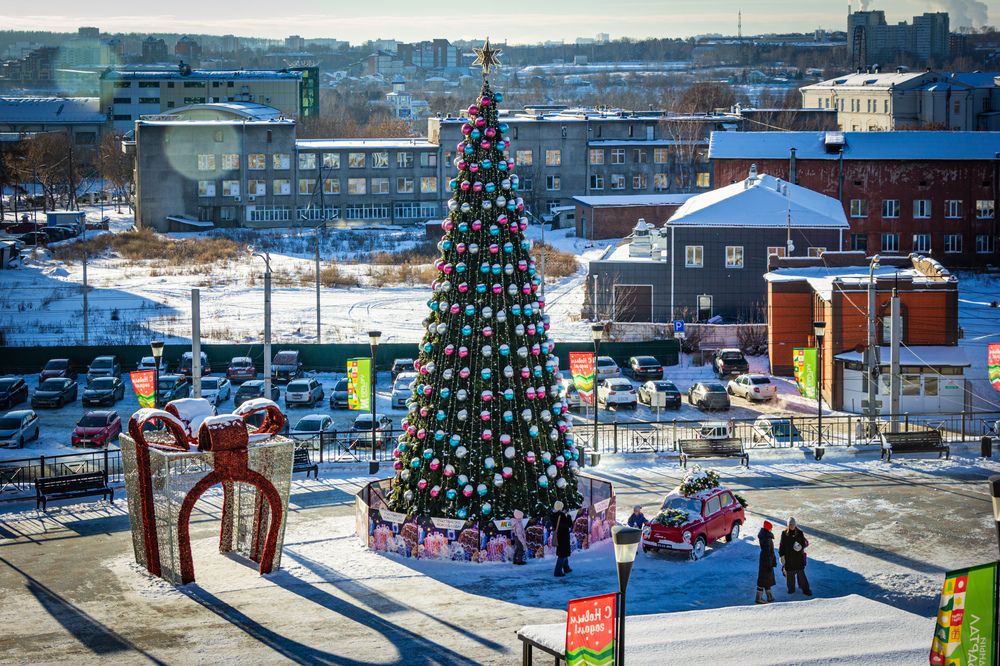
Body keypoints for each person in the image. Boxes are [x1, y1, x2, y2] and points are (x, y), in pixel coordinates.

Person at [778, 517, 812, 596]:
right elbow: (781, 546)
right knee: (789, 575)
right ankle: (791, 589)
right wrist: (781, 556)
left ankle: (805, 589)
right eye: (790, 524)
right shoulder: (784, 533)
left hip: (798, 558)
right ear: (788, 525)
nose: (792, 526)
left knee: (801, 575)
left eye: (793, 524)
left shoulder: (799, 533)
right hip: (788, 558)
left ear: (795, 524)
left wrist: (800, 547)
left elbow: (804, 543)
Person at [756, 520, 777, 604]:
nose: (771, 529)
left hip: (764, 561)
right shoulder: (767, 538)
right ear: (768, 528)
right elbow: (768, 552)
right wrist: (770, 563)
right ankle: (759, 598)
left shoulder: (764, 536)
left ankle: (769, 597)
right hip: (766, 562)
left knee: (766, 579)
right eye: (771, 528)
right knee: (763, 580)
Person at [551, 501, 572, 577]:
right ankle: (557, 571)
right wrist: (568, 516)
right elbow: (569, 524)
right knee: (562, 554)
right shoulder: (560, 515)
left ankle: (566, 567)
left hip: (559, 536)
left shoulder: (553, 515)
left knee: (564, 552)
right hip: (563, 537)